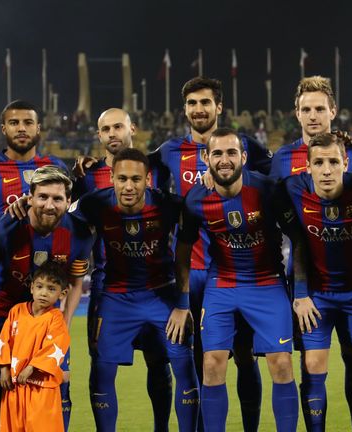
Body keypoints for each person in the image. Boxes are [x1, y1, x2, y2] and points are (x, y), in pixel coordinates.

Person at [148, 77, 272, 431]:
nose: (199, 109)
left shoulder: (246, 147)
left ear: (219, 107)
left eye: (205, 102)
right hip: (191, 271)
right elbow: (130, 169)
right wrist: (89, 166)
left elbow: (277, 182)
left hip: (236, 270)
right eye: (192, 103)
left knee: (246, 356)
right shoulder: (169, 151)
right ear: (184, 109)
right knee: (201, 361)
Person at [171, 128, 298, 432]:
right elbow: (183, 252)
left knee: (280, 363)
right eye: (217, 153)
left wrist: (301, 292)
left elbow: (299, 238)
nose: (224, 160)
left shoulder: (268, 190)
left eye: (231, 153)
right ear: (206, 158)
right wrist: (181, 302)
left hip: (267, 282)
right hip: (223, 282)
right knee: (212, 362)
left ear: (243, 157)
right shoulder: (195, 200)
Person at [68, 148, 199, 431]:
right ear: (112, 178)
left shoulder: (168, 205)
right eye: (123, 179)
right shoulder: (93, 204)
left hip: (162, 296)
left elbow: (198, 216)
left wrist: (183, 303)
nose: (129, 186)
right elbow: (58, 215)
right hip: (116, 298)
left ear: (148, 180)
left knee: (185, 369)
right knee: (102, 371)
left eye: (136, 180)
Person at [269, 75, 352, 431]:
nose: (314, 116)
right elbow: (274, 212)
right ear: (297, 113)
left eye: (320, 109)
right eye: (306, 109)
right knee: (311, 365)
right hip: (306, 281)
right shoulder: (282, 159)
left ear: (333, 111)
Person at [280, 132, 352, 431]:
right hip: (317, 297)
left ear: (345, 163)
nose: (326, 170)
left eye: (333, 162)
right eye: (319, 163)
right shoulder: (291, 188)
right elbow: (251, 186)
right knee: (313, 366)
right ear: (307, 167)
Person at [0, 165, 92, 432]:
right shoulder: (3, 228)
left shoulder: (80, 234)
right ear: (30, 197)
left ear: (68, 201)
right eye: (43, 196)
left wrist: (64, 323)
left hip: (47, 317)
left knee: (58, 382)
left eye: (58, 198)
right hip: (2, 313)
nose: (50, 205)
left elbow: (74, 282)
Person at [0, 100, 69, 239]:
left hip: (52, 259)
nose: (21, 128)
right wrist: (19, 228)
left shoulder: (57, 166)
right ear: (4, 129)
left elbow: (70, 213)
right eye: (14, 123)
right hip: (6, 259)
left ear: (38, 128)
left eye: (28, 122)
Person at [0, 262, 72, 432]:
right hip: (14, 387)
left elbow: (55, 346)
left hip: (41, 388)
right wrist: (4, 369)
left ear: (62, 293)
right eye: (39, 286)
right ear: (31, 288)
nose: (44, 293)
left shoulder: (56, 319)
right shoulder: (16, 311)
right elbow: (4, 340)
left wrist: (31, 367)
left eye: (51, 289)